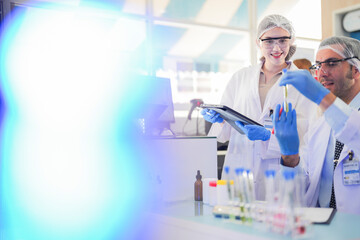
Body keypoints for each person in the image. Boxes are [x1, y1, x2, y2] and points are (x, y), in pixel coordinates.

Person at [201, 14, 317, 200]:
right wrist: (220, 120)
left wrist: (268, 137)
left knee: (274, 222)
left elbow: (304, 133)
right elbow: (224, 131)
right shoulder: (241, 77)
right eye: (269, 41)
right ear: (258, 42)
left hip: (276, 172)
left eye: (282, 40)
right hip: (239, 167)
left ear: (291, 41)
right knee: (235, 223)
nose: (277, 48)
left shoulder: (302, 82)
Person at [273, 36, 360, 214]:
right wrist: (290, 158)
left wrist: (321, 97)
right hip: (324, 228)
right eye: (318, 65)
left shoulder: (345, 120)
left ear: (356, 70)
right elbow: (306, 189)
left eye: (331, 63)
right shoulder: (321, 125)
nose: (322, 73)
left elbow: (353, 130)